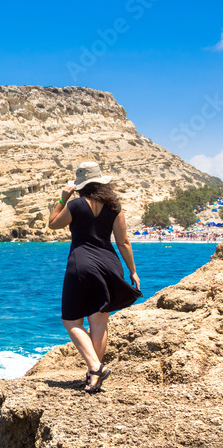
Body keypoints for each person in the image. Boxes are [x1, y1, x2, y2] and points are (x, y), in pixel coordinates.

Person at [48, 161, 141, 394]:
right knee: (99, 321)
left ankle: (96, 367)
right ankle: (93, 379)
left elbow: (52, 224)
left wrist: (62, 198)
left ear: (80, 185)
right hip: (110, 264)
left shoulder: (76, 205)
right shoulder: (114, 206)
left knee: (71, 321)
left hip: (81, 263)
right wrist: (132, 271)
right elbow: (123, 242)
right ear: (101, 182)